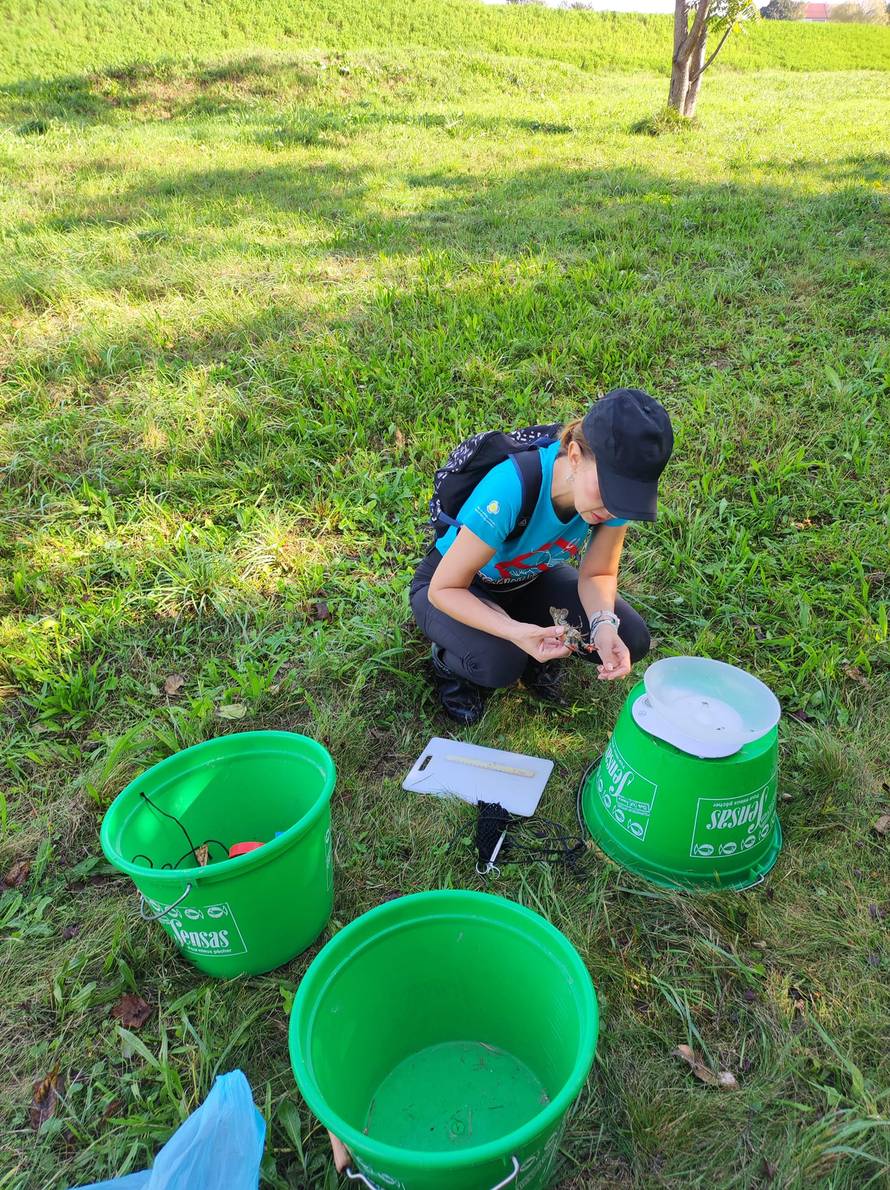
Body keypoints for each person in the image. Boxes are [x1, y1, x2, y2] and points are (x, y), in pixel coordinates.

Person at [410, 388, 674, 724]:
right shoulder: (511, 487)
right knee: (501, 662)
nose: (612, 509)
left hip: (525, 579)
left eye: (626, 499)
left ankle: (536, 651)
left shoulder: (612, 500)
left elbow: (598, 575)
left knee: (629, 636)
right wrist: (513, 631)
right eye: (608, 491)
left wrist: (603, 626)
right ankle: (449, 665)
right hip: (456, 587)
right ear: (575, 456)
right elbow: (444, 589)